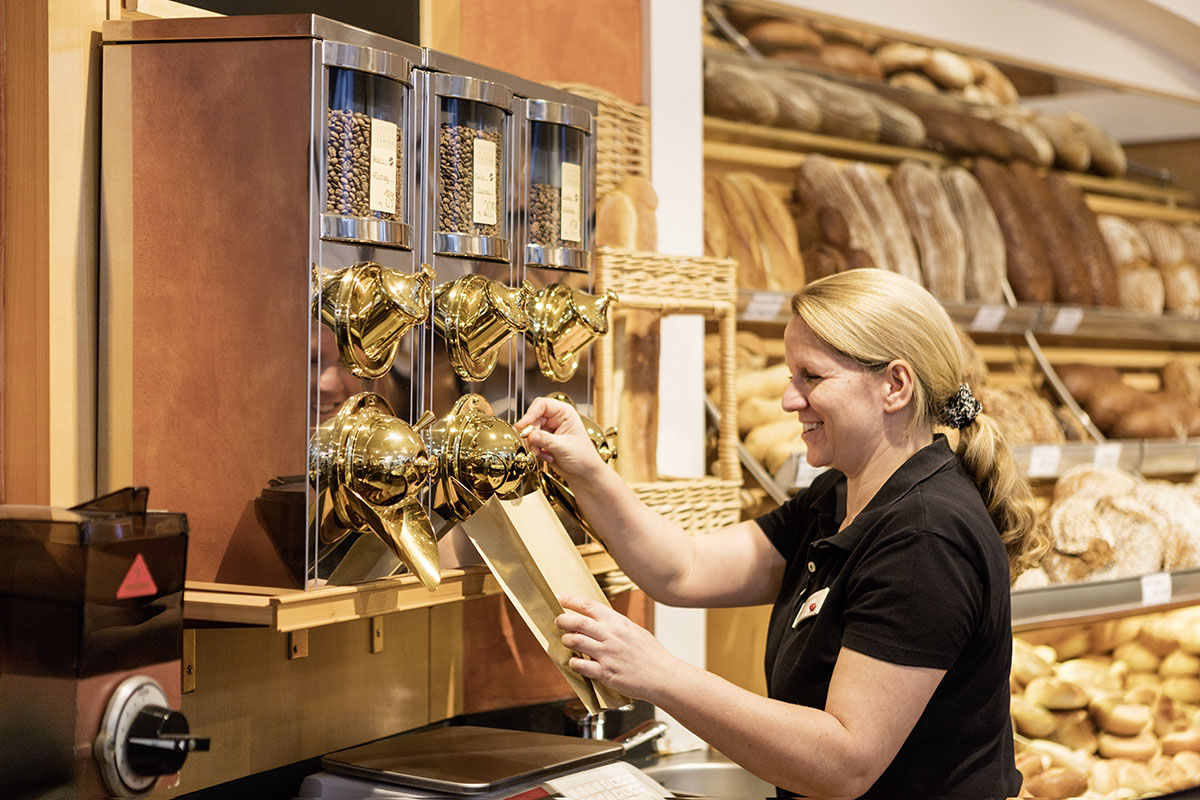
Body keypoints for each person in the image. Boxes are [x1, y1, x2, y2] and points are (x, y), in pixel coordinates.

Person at [515, 268, 1049, 799]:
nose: (789, 401)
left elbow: (845, 763)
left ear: (894, 385)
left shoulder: (926, 538)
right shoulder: (838, 498)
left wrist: (661, 674)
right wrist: (588, 470)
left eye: (810, 377)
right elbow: (685, 568)